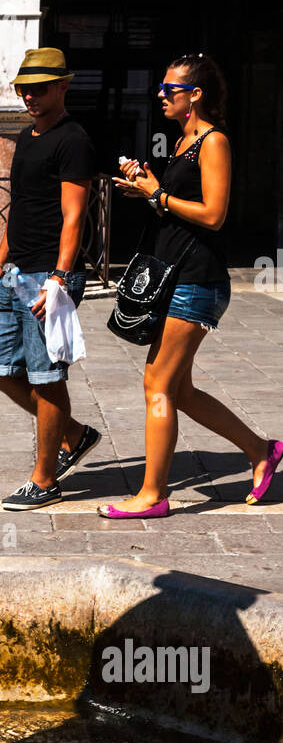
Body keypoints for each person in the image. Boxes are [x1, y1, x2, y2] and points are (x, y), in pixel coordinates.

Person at [101, 52, 281, 518]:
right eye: (162, 88)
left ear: (194, 94)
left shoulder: (213, 142)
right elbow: (180, 208)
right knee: (178, 390)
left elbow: (215, 216)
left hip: (197, 279)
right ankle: (262, 451)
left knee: (156, 382)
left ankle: (152, 496)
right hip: (177, 275)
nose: (160, 95)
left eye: (170, 89)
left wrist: (157, 194)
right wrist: (149, 188)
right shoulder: (183, 141)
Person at [0, 47, 102, 510]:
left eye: (40, 88)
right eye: (24, 88)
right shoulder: (25, 137)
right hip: (14, 272)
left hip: (49, 275)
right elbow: (20, 207)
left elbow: (74, 217)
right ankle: (73, 433)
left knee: (47, 378)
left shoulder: (74, 141)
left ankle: (45, 479)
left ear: (63, 86)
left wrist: (58, 279)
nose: (30, 95)